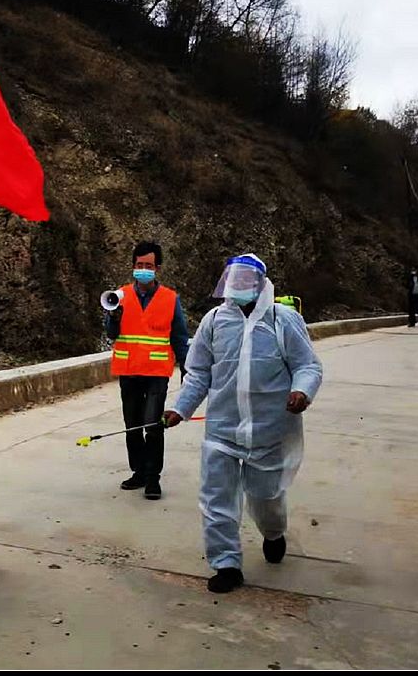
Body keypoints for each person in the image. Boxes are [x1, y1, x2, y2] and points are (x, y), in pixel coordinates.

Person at [164, 253, 322, 593]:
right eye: (233, 278)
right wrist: (180, 408)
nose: (238, 284)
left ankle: (273, 532)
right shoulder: (214, 321)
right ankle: (226, 564)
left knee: (266, 498)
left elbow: (307, 365)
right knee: (216, 499)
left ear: (261, 284)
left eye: (246, 279)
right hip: (222, 430)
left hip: (269, 430)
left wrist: (301, 391)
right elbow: (198, 373)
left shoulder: (283, 320)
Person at [105, 240, 190, 501]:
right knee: (132, 426)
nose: (143, 269)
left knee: (153, 426)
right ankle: (139, 472)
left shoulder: (170, 299)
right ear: (133, 266)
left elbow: (179, 337)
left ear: (157, 268)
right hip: (129, 371)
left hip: (156, 373)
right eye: (139, 265)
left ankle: (153, 478)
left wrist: (187, 368)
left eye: (149, 265)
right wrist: (114, 317)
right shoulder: (120, 296)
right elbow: (111, 334)